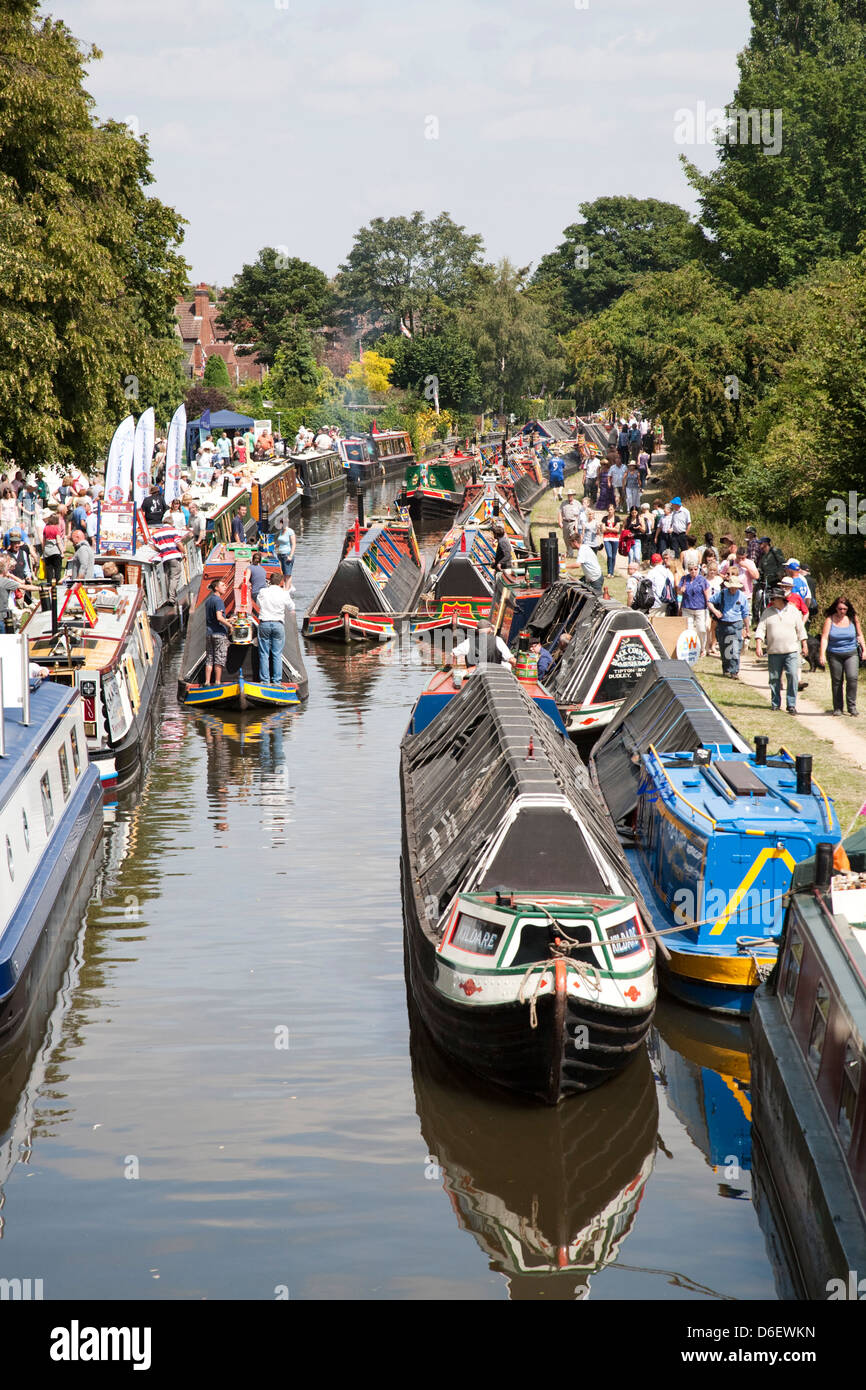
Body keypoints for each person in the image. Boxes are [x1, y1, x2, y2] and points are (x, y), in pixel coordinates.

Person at [755, 588, 809, 713]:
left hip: (791, 650)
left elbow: (801, 629)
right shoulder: (767, 612)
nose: (772, 600)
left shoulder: (793, 611)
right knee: (774, 678)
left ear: (781, 599)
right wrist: (758, 644)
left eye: (774, 598)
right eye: (771, 598)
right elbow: (761, 629)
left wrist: (804, 644)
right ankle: (775, 703)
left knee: (792, 676)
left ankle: (791, 704)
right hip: (774, 651)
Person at [819, 596, 865, 716]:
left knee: (852, 678)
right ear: (836, 608)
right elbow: (824, 638)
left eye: (844, 609)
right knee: (837, 681)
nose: (842, 611)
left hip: (851, 653)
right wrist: (822, 654)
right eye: (840, 609)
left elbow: (859, 635)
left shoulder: (853, 618)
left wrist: (864, 649)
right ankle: (838, 708)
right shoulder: (830, 619)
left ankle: (852, 707)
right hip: (834, 654)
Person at [254, 572, 296, 685]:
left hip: (265, 623)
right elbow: (292, 606)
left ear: (270, 581)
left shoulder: (263, 591)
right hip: (278, 624)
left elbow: (258, 604)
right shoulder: (283, 593)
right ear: (281, 582)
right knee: (277, 653)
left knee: (264, 653)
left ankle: (265, 680)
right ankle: (277, 681)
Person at [708, 573, 749, 677]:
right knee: (725, 648)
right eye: (732, 587)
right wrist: (715, 611)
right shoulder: (722, 594)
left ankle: (734, 671)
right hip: (723, 624)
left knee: (735, 648)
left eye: (735, 588)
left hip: (736, 624)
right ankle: (726, 669)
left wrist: (747, 628)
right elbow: (709, 602)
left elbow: (745, 613)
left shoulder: (742, 597)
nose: (733, 589)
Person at [204, 578, 232, 685]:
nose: (225, 587)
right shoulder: (219, 600)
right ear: (216, 588)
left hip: (209, 633)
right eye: (223, 585)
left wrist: (228, 619)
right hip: (219, 634)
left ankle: (207, 681)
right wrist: (230, 626)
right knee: (219, 658)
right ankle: (217, 681)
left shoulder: (208, 600)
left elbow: (213, 618)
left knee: (210, 658)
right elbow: (219, 617)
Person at [678, 562, 710, 654]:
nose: (693, 571)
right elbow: (679, 591)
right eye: (691, 569)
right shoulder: (684, 579)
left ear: (698, 569)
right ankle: (691, 648)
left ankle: (702, 648)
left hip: (700, 608)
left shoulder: (702, 580)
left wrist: (709, 605)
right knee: (689, 629)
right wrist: (681, 590)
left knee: (701, 629)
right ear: (688, 570)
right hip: (687, 607)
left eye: (695, 569)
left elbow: (707, 593)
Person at [560, 491, 582, 555]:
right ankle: (569, 551)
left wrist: (578, 524)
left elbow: (581, 513)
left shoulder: (577, 503)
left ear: (573, 495)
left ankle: (579, 552)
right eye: (569, 495)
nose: (570, 496)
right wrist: (560, 522)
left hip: (574, 522)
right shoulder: (563, 503)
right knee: (566, 538)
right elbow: (560, 512)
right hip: (565, 522)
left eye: (571, 495)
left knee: (574, 538)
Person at [600, 504, 620, 577]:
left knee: (614, 556)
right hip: (607, 539)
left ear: (614, 510)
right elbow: (603, 529)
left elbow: (617, 530)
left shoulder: (617, 518)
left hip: (615, 539)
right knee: (609, 555)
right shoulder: (604, 519)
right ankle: (609, 572)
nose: (610, 511)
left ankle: (612, 573)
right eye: (609, 510)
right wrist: (612, 529)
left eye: (611, 509)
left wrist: (608, 528)